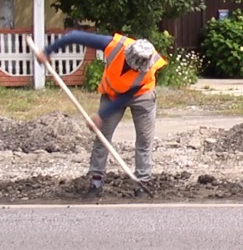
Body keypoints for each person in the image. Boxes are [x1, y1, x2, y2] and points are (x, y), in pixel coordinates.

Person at [36, 30, 166, 198]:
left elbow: (125, 97)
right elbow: (75, 36)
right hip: (111, 94)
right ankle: (96, 182)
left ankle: (142, 183)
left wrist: (101, 115)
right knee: (102, 137)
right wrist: (48, 51)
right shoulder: (115, 46)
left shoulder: (147, 67)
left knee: (144, 140)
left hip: (143, 97)